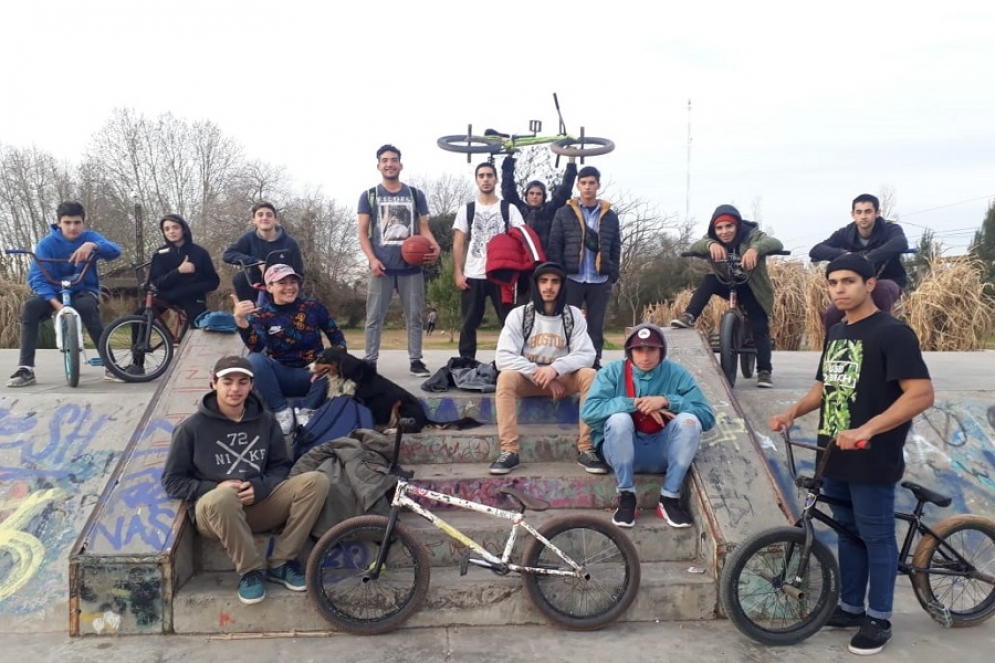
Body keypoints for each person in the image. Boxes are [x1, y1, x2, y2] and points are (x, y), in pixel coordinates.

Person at [769, 253, 933, 656]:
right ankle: (850, 607)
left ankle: (879, 618)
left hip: (871, 453)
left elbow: (921, 394)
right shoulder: (838, 331)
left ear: (869, 284)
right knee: (847, 531)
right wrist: (792, 412)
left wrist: (867, 429)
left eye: (848, 281)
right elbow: (825, 387)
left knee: (876, 536)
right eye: (833, 282)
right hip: (834, 452)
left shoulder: (893, 333)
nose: (839, 289)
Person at [161, 356, 331, 605]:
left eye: (242, 382)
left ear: (251, 385)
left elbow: (281, 467)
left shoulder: (266, 421)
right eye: (227, 381)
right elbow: (172, 480)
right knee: (224, 496)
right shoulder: (190, 428)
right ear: (213, 384)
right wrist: (214, 487)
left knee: (316, 481)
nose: (235, 388)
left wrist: (260, 487)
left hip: (258, 504)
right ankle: (250, 571)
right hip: (215, 513)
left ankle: (281, 562)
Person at [581, 323, 715, 529]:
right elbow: (589, 413)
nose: (645, 357)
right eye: (638, 350)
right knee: (619, 420)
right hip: (620, 453)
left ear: (661, 351)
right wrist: (634, 403)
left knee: (690, 421)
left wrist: (667, 401)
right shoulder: (612, 372)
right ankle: (626, 495)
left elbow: (707, 417)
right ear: (629, 351)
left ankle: (669, 497)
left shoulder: (677, 373)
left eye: (652, 349)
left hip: (662, 453)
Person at [490, 262, 608, 475]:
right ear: (536, 285)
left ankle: (586, 448)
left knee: (590, 375)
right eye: (543, 281)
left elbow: (587, 354)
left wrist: (555, 369)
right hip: (529, 381)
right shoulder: (520, 315)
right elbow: (503, 357)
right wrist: (540, 374)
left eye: (555, 281)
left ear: (562, 285)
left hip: (563, 381)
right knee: (505, 377)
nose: (549, 287)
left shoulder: (573, 315)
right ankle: (509, 451)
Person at [7, 201, 122, 387]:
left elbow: (116, 251)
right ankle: (26, 368)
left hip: (82, 290)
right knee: (30, 308)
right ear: (58, 222)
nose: (72, 227)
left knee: (87, 308)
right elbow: (37, 279)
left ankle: (111, 364)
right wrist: (57, 305)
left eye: (77, 222)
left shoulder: (90, 237)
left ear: (83, 223)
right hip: (54, 293)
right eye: (67, 222)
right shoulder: (46, 245)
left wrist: (93, 246)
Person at [670, 204, 783, 388]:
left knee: (759, 325)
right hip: (726, 283)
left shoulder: (752, 235)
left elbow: (776, 243)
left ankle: (764, 371)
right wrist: (710, 244)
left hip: (751, 287)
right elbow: (695, 246)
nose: (724, 232)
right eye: (719, 228)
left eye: (729, 226)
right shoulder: (712, 238)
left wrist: (755, 249)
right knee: (709, 279)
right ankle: (689, 316)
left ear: (737, 225)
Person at [231, 264, 346, 434]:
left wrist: (339, 355)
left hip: (314, 375)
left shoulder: (313, 307)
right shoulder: (261, 315)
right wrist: (241, 321)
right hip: (281, 376)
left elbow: (336, 335)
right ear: (269, 287)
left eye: (293, 282)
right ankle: (282, 411)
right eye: (282, 283)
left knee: (335, 360)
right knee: (255, 359)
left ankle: (308, 411)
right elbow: (257, 346)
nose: (289, 287)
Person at [358, 144, 441, 376]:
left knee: (414, 318)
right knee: (374, 318)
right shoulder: (369, 195)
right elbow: (362, 233)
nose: (389, 164)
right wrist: (372, 259)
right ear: (378, 166)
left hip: (410, 267)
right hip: (381, 267)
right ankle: (370, 361)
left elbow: (424, 228)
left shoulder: (415, 194)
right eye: (385, 160)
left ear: (400, 164)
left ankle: (416, 360)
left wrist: (435, 246)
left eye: (393, 160)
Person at [547, 166, 621, 369]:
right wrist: (560, 274)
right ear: (578, 185)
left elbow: (615, 246)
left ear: (598, 185)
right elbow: (555, 244)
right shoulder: (564, 213)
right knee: (567, 323)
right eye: (583, 183)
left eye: (591, 183)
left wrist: (612, 274)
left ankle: (593, 363)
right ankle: (565, 362)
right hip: (572, 278)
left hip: (599, 278)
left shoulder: (609, 215)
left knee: (595, 326)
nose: (587, 187)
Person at [452, 162, 525, 359]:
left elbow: (521, 239)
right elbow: (458, 243)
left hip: (501, 274)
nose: (485, 179)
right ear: (477, 180)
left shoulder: (509, 209)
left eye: (489, 175)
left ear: (496, 179)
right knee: (469, 322)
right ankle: (466, 362)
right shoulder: (467, 209)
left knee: (509, 321)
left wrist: (518, 272)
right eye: (481, 175)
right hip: (473, 274)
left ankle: (511, 361)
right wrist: (458, 272)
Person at [809, 193, 909, 332]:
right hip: (854, 284)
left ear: (877, 213)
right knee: (832, 313)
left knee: (880, 291)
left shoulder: (890, 229)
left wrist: (868, 258)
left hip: (888, 279)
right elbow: (816, 250)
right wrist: (844, 254)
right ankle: (831, 342)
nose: (863, 216)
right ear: (853, 214)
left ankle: (883, 333)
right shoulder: (845, 233)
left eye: (868, 211)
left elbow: (900, 243)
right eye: (859, 212)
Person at [223, 202, 305, 302]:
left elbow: (298, 272)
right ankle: (250, 309)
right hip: (256, 284)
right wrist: (257, 262)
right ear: (254, 220)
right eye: (260, 215)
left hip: (282, 285)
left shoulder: (290, 243)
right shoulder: (248, 238)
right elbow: (228, 255)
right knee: (240, 278)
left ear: (276, 220)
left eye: (269, 215)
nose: (265, 218)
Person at [149, 214, 220, 321]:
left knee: (198, 323)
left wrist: (192, 287)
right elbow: (156, 282)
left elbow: (213, 282)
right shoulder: (160, 254)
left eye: (175, 227)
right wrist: (178, 271)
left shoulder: (200, 252)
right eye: (167, 229)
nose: (171, 231)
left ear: (184, 229)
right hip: (167, 295)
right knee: (140, 317)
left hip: (192, 297)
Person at [501, 154, 577, 250]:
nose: (535, 196)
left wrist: (571, 162)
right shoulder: (519, 209)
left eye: (538, 194)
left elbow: (565, 190)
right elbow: (508, 189)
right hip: (524, 253)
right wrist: (509, 159)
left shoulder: (549, 210)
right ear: (526, 196)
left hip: (545, 255)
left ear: (543, 197)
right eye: (531, 193)